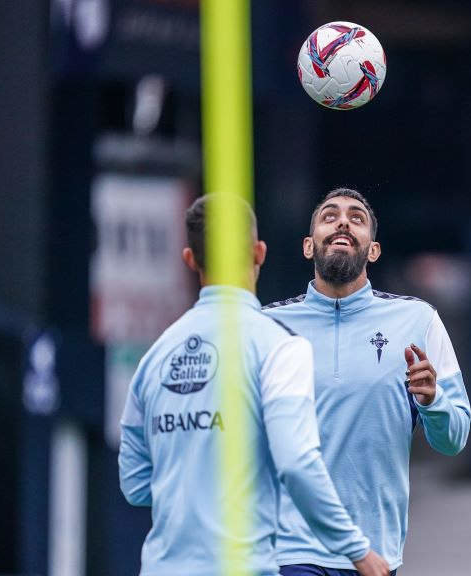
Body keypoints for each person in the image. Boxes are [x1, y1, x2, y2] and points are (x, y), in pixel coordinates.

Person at [118, 195, 388, 576]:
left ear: (190, 260)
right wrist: (358, 551)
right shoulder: (279, 345)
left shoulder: (155, 358)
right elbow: (296, 464)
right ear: (259, 253)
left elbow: (134, 483)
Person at [263, 188, 471, 575]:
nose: (343, 221)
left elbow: (454, 439)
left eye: (356, 218)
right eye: (330, 216)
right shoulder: (266, 327)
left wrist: (433, 402)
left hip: (376, 555)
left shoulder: (418, 320)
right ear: (308, 246)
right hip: (289, 551)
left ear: (372, 251)